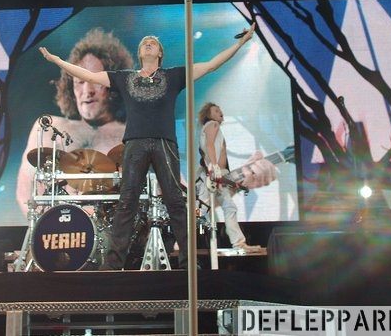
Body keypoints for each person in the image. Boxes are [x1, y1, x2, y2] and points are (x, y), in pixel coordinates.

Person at [39, 23, 256, 270]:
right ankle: (112, 265)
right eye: (144, 43)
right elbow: (88, 76)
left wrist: (240, 43)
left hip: (164, 143)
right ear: (140, 53)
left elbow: (211, 65)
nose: (148, 43)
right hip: (135, 144)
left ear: (160, 53)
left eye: (153, 42)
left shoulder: (173, 76)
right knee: (127, 202)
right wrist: (58, 61)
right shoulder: (125, 78)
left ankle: (188, 263)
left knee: (176, 202)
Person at [16, 28, 133, 216]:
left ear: (113, 85)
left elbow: (173, 187)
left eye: (95, 80)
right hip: (57, 227)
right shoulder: (48, 128)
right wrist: (48, 224)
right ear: (70, 87)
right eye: (80, 81)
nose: (87, 91)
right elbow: (25, 193)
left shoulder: (133, 133)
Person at [197, 102, 277, 253]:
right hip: (213, 173)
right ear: (209, 115)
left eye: (220, 109)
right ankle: (179, 242)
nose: (220, 112)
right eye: (216, 110)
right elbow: (209, 145)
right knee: (199, 210)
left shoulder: (212, 128)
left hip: (218, 174)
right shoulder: (212, 124)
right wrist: (214, 167)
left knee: (226, 207)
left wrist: (231, 181)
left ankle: (239, 244)